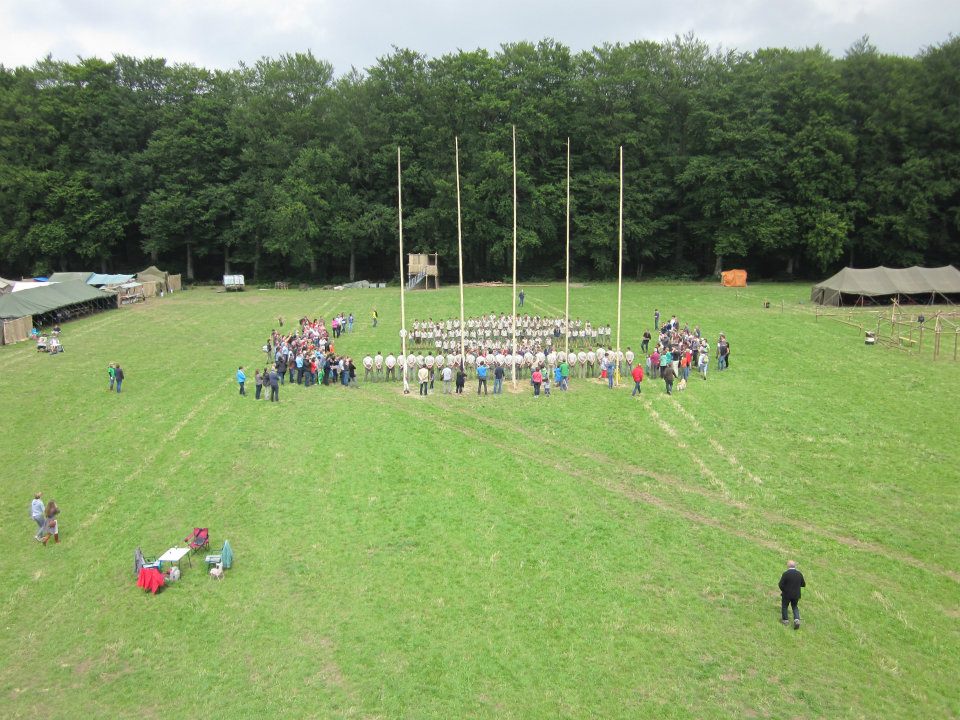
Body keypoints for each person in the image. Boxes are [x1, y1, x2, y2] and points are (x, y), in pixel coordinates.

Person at [778, 560, 806, 629]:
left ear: (788, 566)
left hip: (786, 594)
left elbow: (780, 584)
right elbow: (803, 584)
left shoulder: (786, 574)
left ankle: (785, 620)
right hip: (796, 595)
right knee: (795, 607)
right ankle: (797, 620)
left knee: (784, 606)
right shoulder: (799, 574)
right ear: (795, 566)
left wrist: (784, 590)